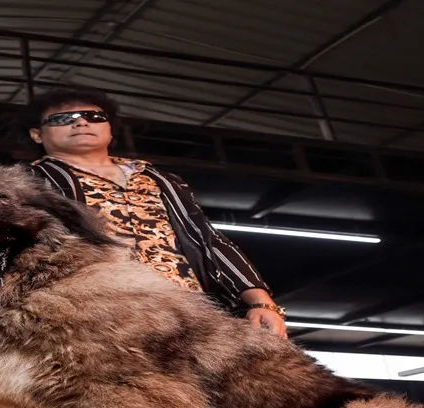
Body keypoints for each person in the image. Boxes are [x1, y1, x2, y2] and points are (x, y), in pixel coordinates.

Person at [19, 88, 288, 338]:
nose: (80, 123)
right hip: (96, 314)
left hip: (190, 313)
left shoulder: (163, 180)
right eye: (62, 119)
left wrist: (261, 303)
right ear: (37, 135)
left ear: (110, 129)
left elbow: (208, 240)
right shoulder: (26, 181)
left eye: (93, 117)